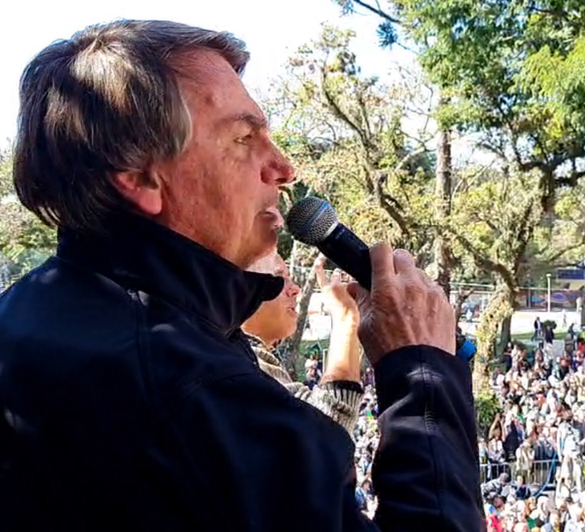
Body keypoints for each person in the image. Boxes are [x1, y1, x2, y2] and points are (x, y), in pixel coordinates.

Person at [0, 20, 483, 531]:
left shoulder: (23, 316)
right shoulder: (202, 400)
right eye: (244, 137)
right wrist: (422, 372)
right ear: (138, 175)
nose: (283, 166)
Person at [243, 253, 363, 435]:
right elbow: (323, 431)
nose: (295, 289)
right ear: (237, 286)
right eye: (279, 278)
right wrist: (345, 317)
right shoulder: (240, 364)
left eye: (290, 278)